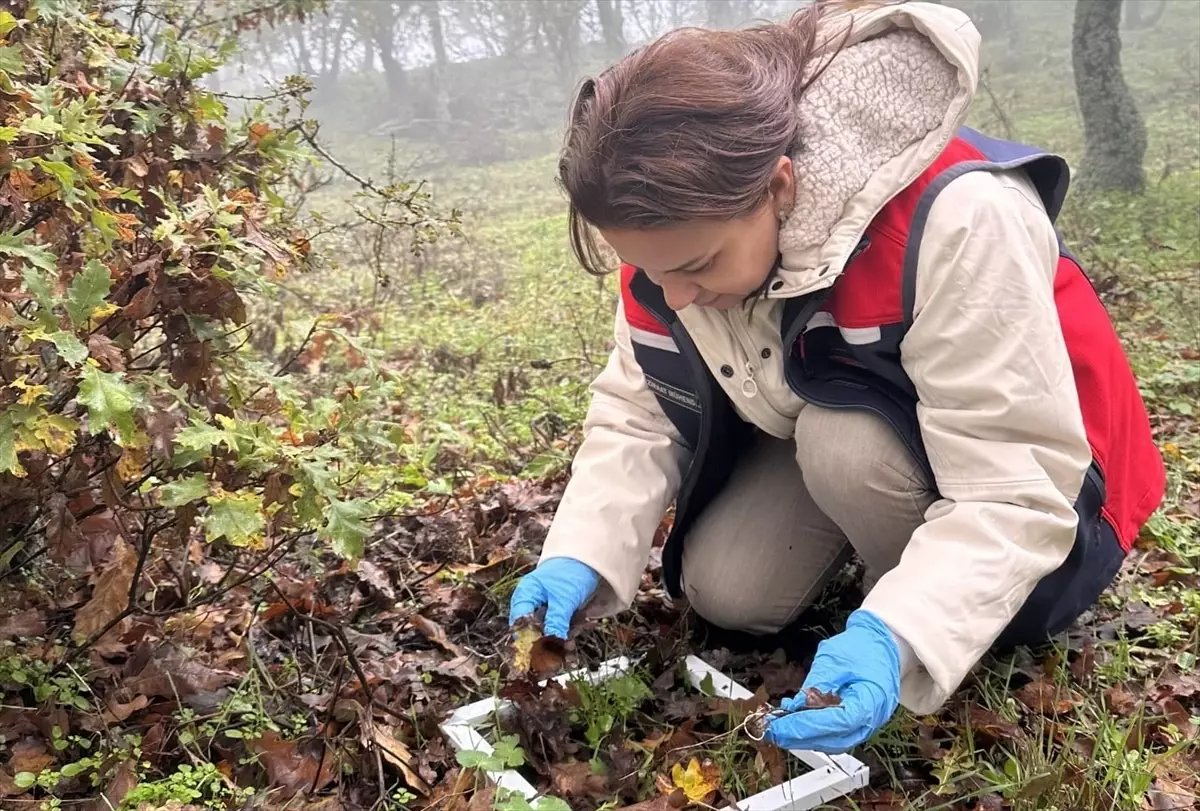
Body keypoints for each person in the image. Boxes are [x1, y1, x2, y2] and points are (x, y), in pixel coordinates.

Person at [507, 0, 1165, 754]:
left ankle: (931, 612)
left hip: (1062, 492)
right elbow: (638, 412)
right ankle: (901, 578)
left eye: (695, 266)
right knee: (730, 590)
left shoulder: (958, 218)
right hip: (863, 431)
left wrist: (900, 634)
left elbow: (1018, 484)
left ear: (781, 187)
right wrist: (578, 553)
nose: (673, 293)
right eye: (651, 268)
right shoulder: (672, 248)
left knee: (842, 443)